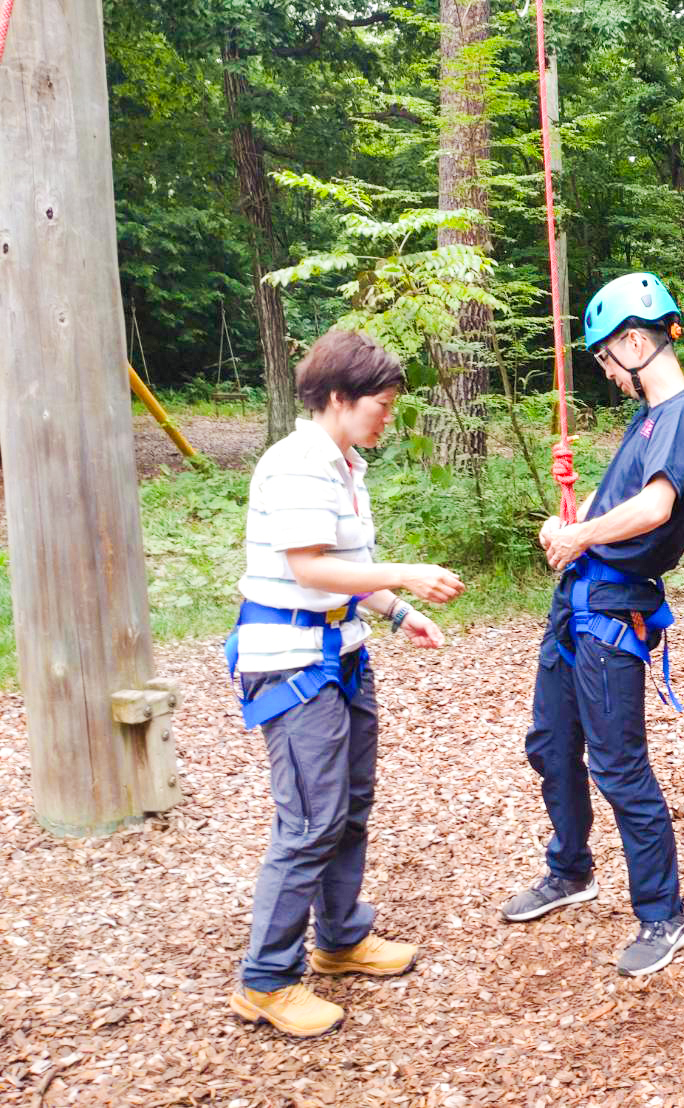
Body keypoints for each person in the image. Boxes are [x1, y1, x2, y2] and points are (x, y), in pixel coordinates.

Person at [226, 330, 465, 1038]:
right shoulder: (299, 463)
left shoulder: (343, 464)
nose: (387, 415)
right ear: (337, 397)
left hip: (342, 654)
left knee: (349, 807)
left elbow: (344, 570)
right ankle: (265, 981)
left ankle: (338, 939)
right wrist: (403, 575)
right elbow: (308, 568)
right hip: (294, 664)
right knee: (308, 820)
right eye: (381, 403)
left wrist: (398, 612)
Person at [501, 271, 684, 977]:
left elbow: (654, 507)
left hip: (613, 609)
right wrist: (568, 522)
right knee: (550, 742)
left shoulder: (681, 415)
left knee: (619, 766)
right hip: (579, 601)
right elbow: (610, 496)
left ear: (632, 342)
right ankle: (570, 869)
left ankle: (662, 913)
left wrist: (584, 536)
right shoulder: (646, 420)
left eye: (604, 358)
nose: (604, 372)